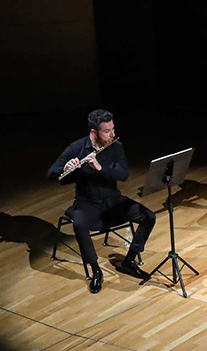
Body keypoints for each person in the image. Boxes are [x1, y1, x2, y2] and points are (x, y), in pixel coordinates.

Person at [47, 109, 155, 293]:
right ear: (94, 133)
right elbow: (51, 173)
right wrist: (65, 168)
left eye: (113, 129)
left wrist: (100, 167)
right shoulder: (77, 147)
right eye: (107, 131)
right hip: (87, 203)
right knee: (79, 224)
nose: (113, 134)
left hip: (113, 201)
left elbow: (123, 174)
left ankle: (129, 261)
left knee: (149, 216)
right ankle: (96, 271)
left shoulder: (116, 146)